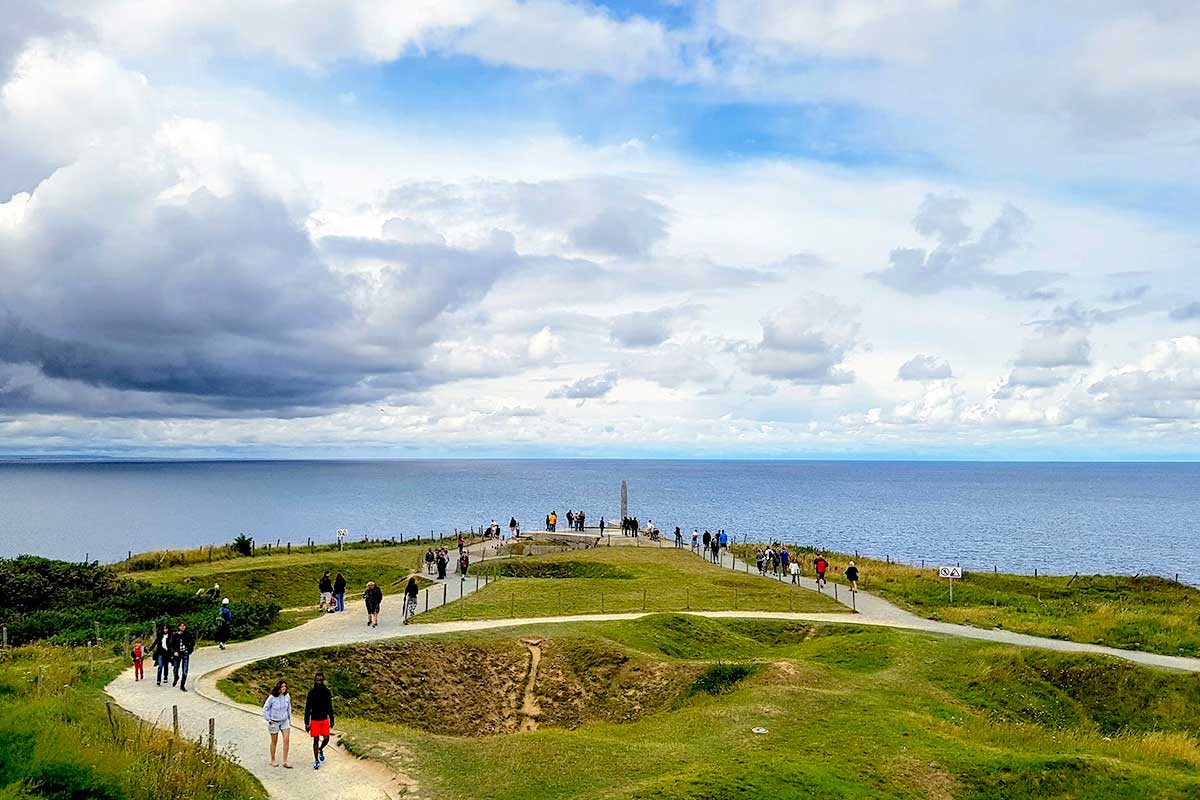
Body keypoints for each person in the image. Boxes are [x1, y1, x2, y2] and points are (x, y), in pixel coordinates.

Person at [304, 672, 334, 770]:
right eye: (317, 680)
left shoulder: (327, 692)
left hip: (324, 718)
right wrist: (307, 722)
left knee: (326, 738)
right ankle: (316, 760)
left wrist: (332, 719)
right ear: (314, 681)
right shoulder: (311, 693)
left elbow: (330, 706)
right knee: (315, 740)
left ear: (323, 680)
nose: (319, 682)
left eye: (320, 680)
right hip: (314, 719)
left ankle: (321, 749)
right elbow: (307, 708)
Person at [263, 679, 293, 768]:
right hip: (274, 722)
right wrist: (268, 719)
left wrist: (289, 719)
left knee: (286, 740)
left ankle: (285, 761)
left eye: (285, 686)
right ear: (279, 687)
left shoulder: (287, 696)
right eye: (282, 686)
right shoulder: (272, 697)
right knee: (274, 741)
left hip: (284, 720)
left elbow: (289, 708)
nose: (284, 688)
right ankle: (272, 759)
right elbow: (265, 708)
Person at [170, 621, 195, 692]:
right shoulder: (175, 635)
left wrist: (190, 650)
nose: (182, 627)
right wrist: (174, 652)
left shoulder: (188, 634)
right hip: (177, 654)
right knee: (175, 668)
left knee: (185, 671)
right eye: (181, 626)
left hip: (185, 653)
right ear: (179, 627)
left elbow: (192, 642)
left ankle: (182, 685)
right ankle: (176, 677)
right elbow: (171, 645)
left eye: (183, 626)